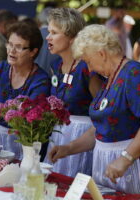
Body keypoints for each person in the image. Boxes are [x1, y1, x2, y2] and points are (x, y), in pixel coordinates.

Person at [49, 24, 140, 194]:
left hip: (134, 167)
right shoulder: (110, 78)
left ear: (101, 54)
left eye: (88, 61)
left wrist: (126, 158)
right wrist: (69, 148)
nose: (89, 68)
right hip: (110, 166)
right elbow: (101, 126)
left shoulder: (135, 74)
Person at [44, 7, 102, 177]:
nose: (48, 37)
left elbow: (103, 110)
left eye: (54, 32)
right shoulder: (56, 65)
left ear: (71, 38)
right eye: (49, 32)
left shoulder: (87, 67)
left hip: (82, 139)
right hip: (58, 136)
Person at [0, 21, 50, 160]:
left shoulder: (40, 80)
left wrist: (4, 109)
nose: (11, 51)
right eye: (10, 44)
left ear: (33, 52)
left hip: (24, 141)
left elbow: (32, 113)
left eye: (18, 47)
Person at [34, 6, 59, 75]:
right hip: (54, 76)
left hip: (35, 77)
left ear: (39, 20)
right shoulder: (59, 37)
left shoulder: (33, 35)